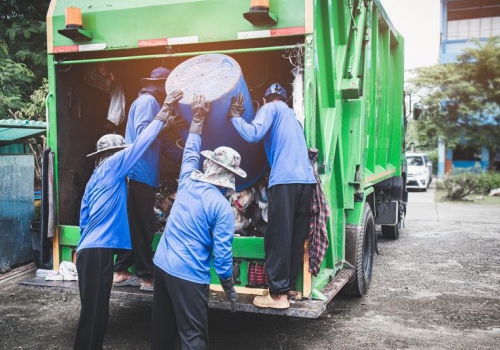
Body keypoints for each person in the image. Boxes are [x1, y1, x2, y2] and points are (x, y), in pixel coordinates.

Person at [74, 91, 185, 350]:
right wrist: (164, 111)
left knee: (95, 313)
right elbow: (142, 142)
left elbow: (84, 217)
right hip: (98, 253)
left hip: (89, 252)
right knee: (94, 315)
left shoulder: (95, 178)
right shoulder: (114, 167)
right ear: (114, 153)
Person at [151, 94, 242, 349]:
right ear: (230, 177)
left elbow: (190, 149)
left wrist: (199, 116)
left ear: (210, 165)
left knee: (162, 332)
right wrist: (229, 288)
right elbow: (223, 259)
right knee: (193, 337)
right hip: (189, 276)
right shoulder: (223, 209)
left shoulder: (189, 178)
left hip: (162, 265)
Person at [228, 83, 316, 309]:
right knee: (296, 236)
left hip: (285, 180)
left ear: (266, 99)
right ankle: (288, 289)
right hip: (305, 181)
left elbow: (253, 134)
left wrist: (236, 117)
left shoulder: (271, 108)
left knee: (278, 236)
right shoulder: (293, 117)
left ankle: (277, 296)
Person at [114, 67, 183, 292]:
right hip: (138, 173)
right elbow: (145, 135)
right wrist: (169, 124)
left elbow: (165, 148)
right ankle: (144, 275)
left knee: (135, 223)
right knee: (143, 225)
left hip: (144, 175)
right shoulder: (147, 102)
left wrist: (191, 154)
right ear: (162, 84)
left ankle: (121, 270)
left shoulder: (153, 104)